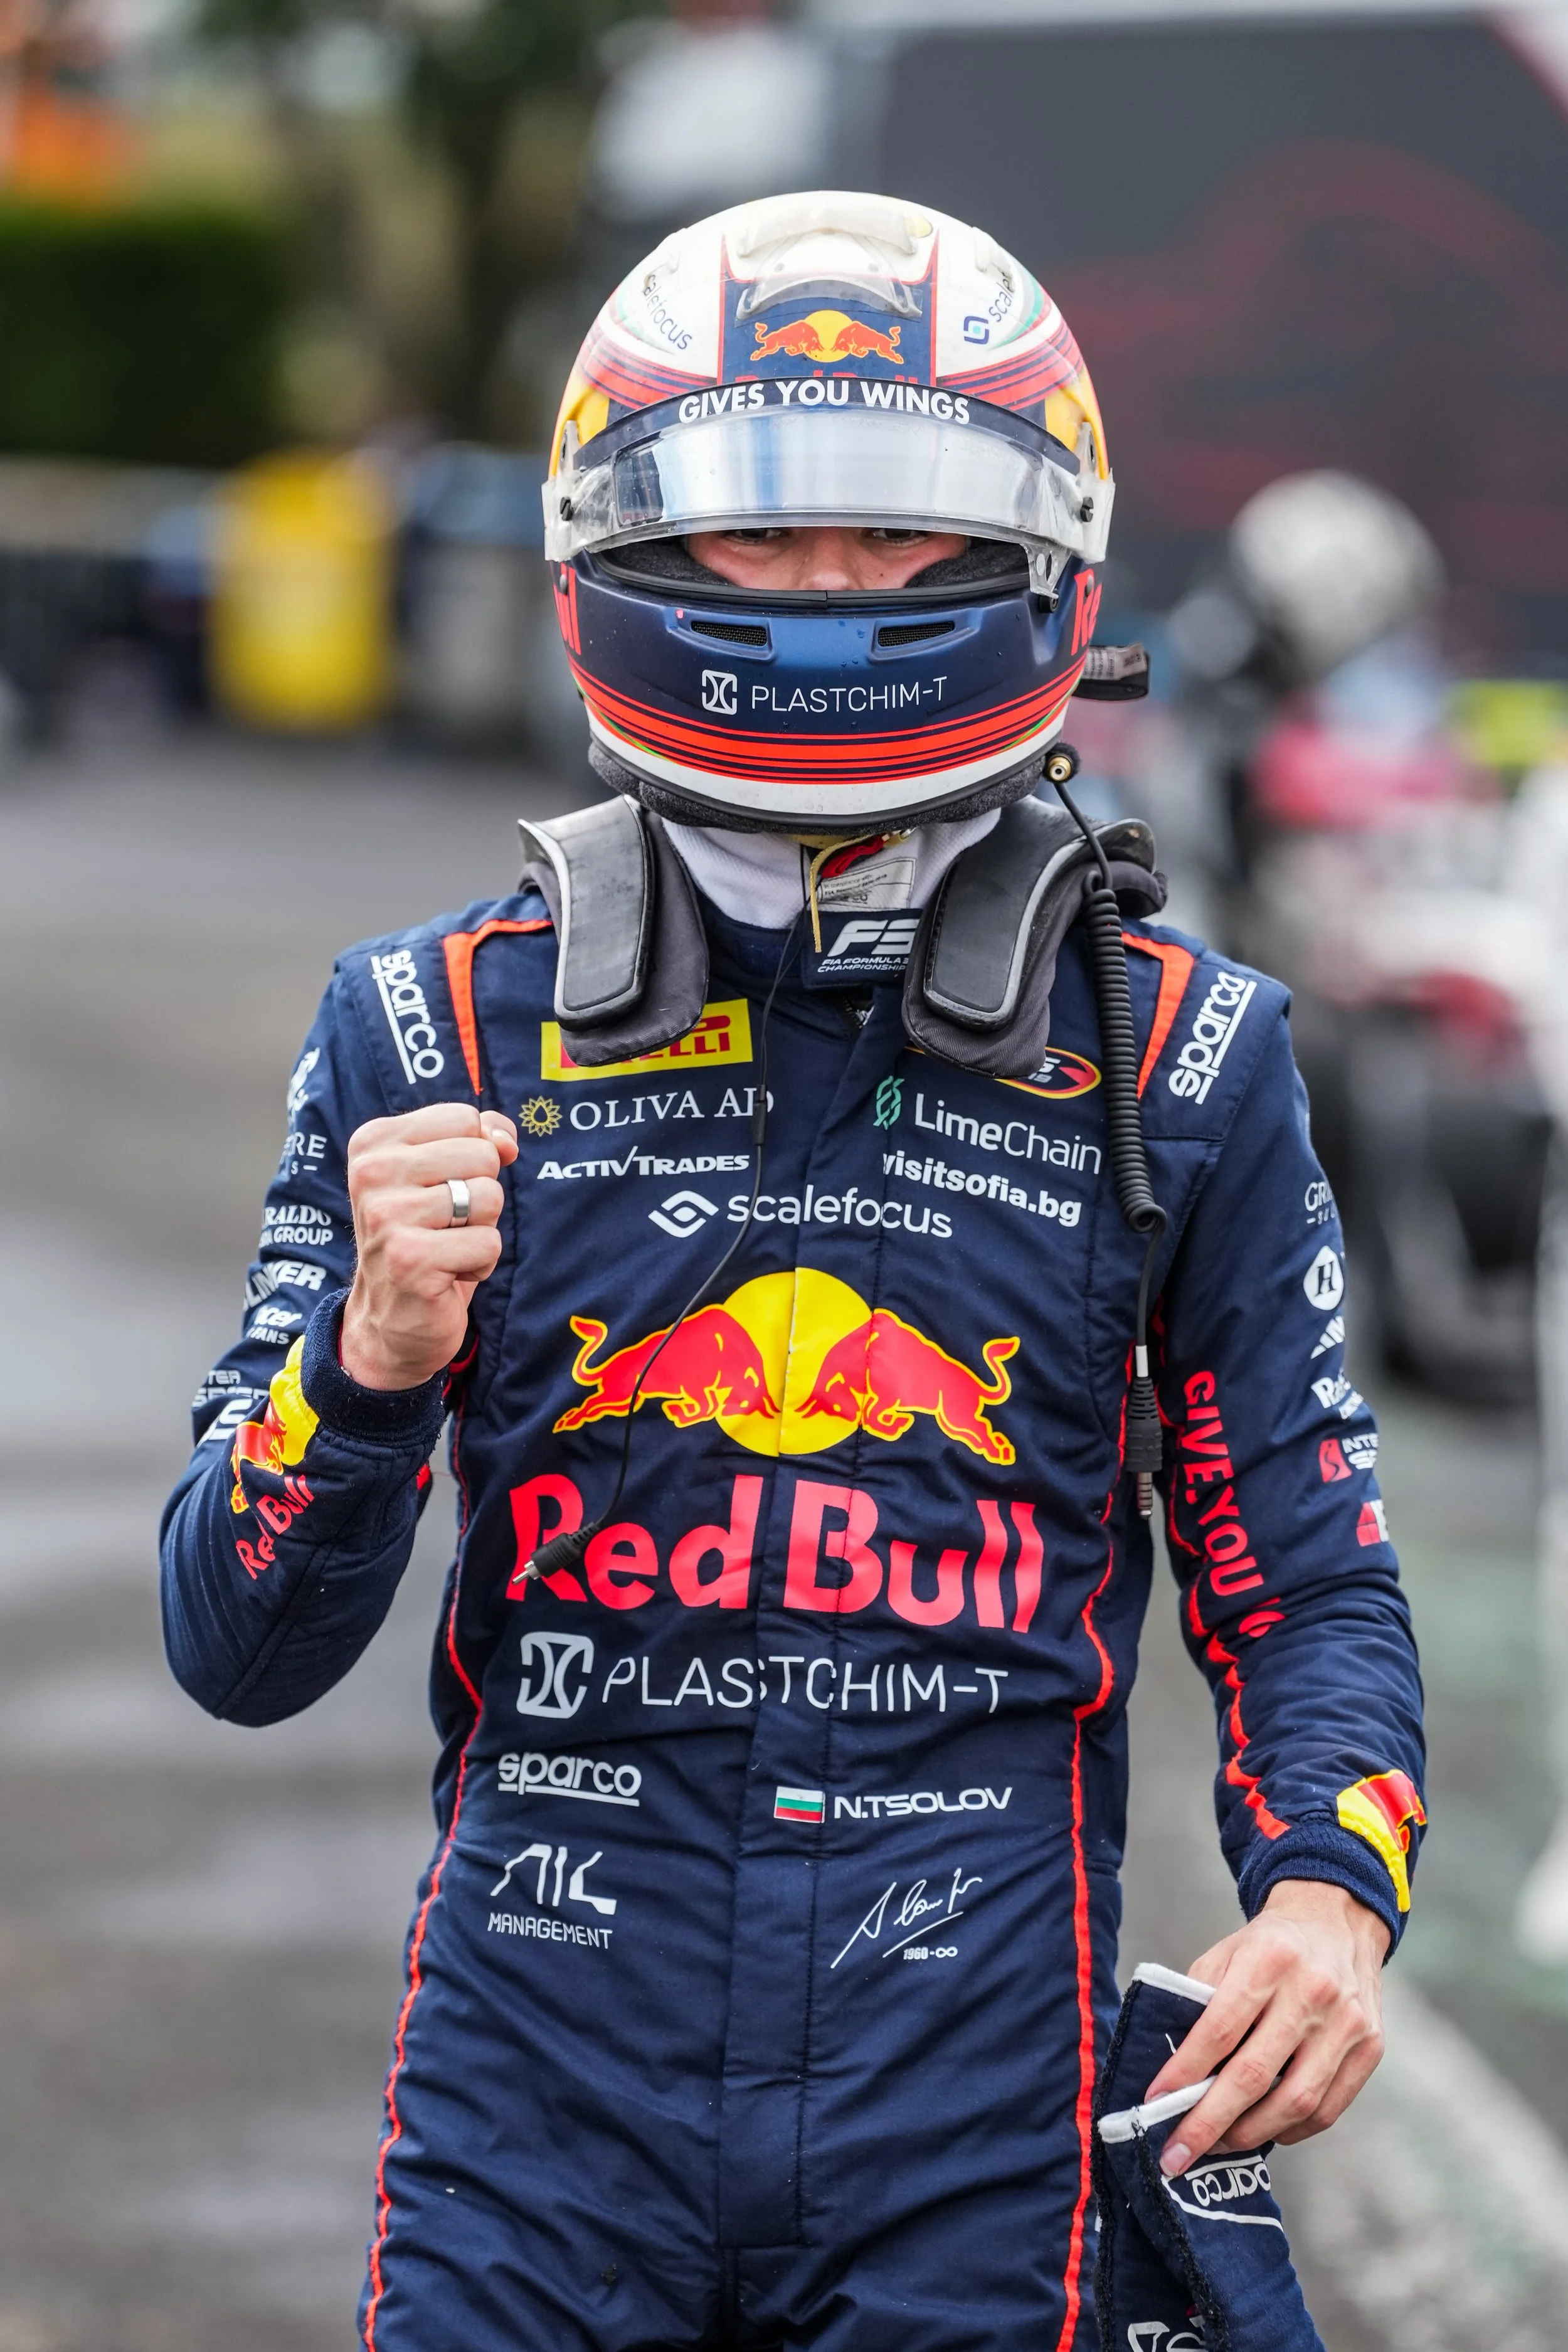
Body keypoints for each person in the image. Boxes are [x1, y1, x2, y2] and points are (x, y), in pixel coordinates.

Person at [161, 193, 1425, 2352]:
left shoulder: (1185, 1057)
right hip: (533, 2104)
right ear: (623, 551)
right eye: (762, 536)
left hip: (974, 2118)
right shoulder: (427, 1032)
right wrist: (365, 1367)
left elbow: (1303, 1574)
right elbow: (235, 1638)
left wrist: (1329, 1893)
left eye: (904, 538)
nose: (832, 598)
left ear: (1035, 562)